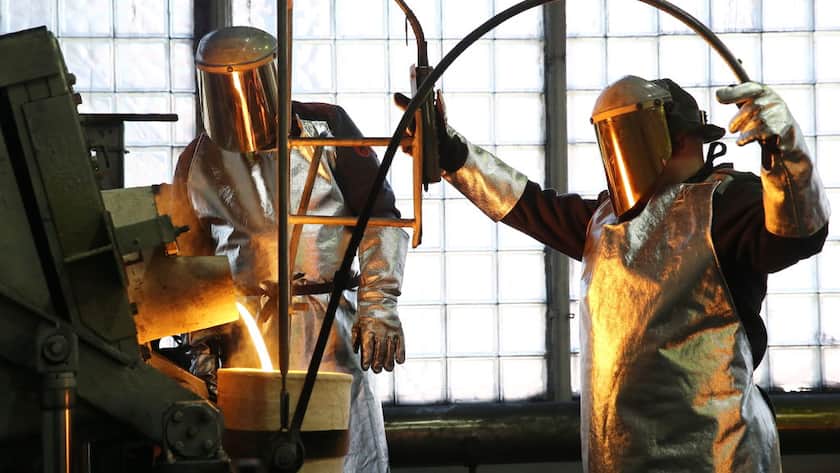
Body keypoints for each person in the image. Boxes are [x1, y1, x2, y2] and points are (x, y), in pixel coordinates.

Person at [405, 76, 829, 472]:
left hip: (716, 454)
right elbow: (529, 205)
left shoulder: (728, 203)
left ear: (677, 139)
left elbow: (797, 234)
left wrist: (787, 155)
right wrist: (454, 156)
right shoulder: (605, 221)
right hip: (619, 454)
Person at [174, 26, 408, 472]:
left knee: (338, 447)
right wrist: (201, 341)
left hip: (328, 327)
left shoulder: (328, 128)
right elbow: (191, 254)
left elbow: (379, 216)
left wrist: (379, 302)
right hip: (245, 338)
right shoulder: (197, 158)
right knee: (255, 453)